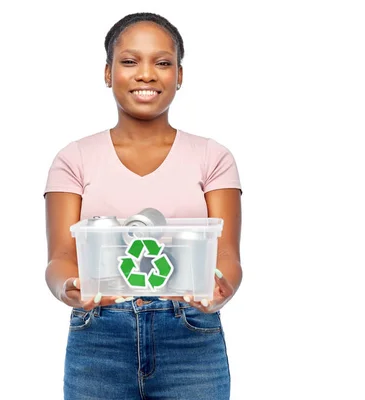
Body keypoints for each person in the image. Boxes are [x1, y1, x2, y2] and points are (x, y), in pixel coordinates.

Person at [43, 12, 242, 400]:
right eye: (130, 61)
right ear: (107, 72)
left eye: (163, 62)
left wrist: (222, 288)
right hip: (99, 336)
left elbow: (228, 255)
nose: (146, 74)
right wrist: (68, 288)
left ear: (180, 76)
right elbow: (61, 256)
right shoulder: (74, 159)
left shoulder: (212, 157)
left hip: (191, 336)